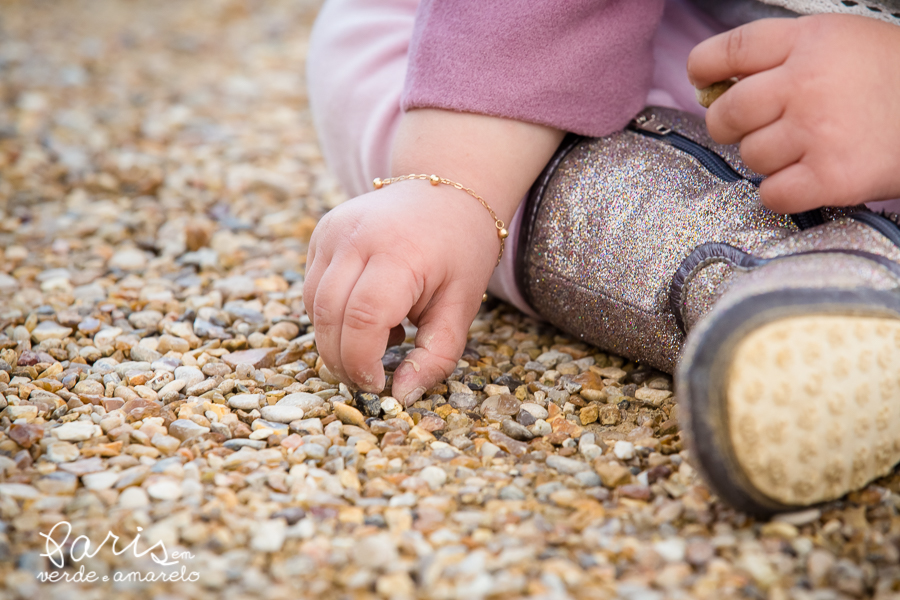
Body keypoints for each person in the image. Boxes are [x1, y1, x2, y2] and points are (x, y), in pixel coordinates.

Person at [304, 0, 900, 514]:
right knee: (385, 68)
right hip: (613, 52)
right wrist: (455, 183)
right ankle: (800, 285)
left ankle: (832, 290)